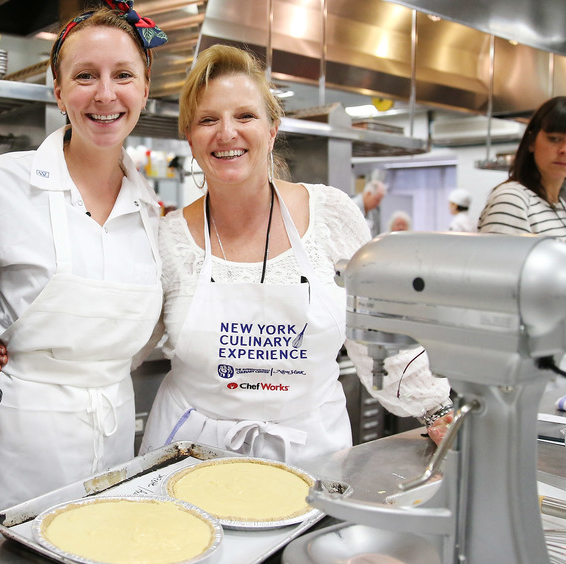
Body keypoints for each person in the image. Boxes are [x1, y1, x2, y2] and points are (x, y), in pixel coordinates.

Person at [139, 45, 453, 465]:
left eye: (245, 116)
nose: (226, 132)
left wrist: (436, 409)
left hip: (310, 452)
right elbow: (124, 337)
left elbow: (379, 330)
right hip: (187, 455)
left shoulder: (332, 215)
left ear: (271, 130)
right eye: (208, 119)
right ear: (191, 139)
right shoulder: (167, 237)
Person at [0, 0, 167, 510]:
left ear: (143, 89)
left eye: (123, 75)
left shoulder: (151, 214)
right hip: (14, 439)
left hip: (114, 438)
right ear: (59, 90)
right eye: (85, 76)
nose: (105, 94)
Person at [478, 96, 566, 238]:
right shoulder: (512, 200)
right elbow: (496, 259)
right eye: (554, 138)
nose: (564, 150)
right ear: (531, 142)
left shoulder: (560, 205)